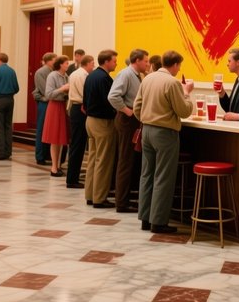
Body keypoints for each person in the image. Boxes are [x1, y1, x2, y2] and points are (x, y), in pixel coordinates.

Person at [134, 50, 193, 234]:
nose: (179, 69)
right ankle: (158, 222)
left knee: (147, 174)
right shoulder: (172, 83)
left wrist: (145, 118)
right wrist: (187, 93)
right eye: (179, 66)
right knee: (163, 176)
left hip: (147, 130)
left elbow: (137, 106)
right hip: (165, 133)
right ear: (174, 65)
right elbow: (184, 111)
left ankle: (145, 218)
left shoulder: (148, 79)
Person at [108, 48, 148, 213]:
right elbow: (113, 96)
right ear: (137, 61)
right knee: (125, 160)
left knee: (130, 160)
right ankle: (121, 202)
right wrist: (127, 110)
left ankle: (125, 198)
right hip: (127, 121)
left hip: (133, 120)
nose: (147, 64)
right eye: (145, 61)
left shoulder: (136, 75)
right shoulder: (126, 74)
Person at [82, 49, 118, 208]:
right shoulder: (104, 78)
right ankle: (99, 198)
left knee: (93, 159)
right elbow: (108, 101)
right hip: (102, 122)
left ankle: (90, 194)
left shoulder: (91, 76)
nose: (116, 63)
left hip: (90, 120)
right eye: (114, 60)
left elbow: (85, 100)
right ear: (106, 61)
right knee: (103, 160)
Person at [66, 54, 94, 189]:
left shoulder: (74, 74)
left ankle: (73, 177)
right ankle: (72, 179)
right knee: (78, 144)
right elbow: (85, 94)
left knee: (77, 144)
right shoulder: (82, 76)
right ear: (87, 63)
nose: (93, 66)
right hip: (80, 108)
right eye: (92, 64)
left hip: (76, 108)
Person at [42, 56, 70, 176]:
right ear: (60, 64)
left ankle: (58, 165)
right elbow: (48, 94)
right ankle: (53, 167)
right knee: (54, 138)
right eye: (66, 63)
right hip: (54, 106)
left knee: (61, 138)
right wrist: (62, 89)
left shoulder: (66, 76)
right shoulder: (52, 75)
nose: (68, 65)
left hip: (63, 105)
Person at [32, 52, 55, 164]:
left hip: (50, 102)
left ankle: (47, 154)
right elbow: (44, 89)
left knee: (49, 130)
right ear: (49, 60)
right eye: (54, 59)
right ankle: (40, 156)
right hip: (45, 103)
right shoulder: (41, 72)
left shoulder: (52, 72)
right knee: (42, 129)